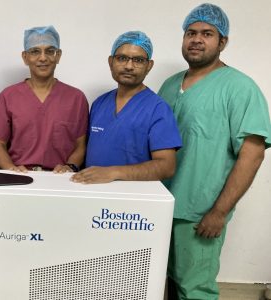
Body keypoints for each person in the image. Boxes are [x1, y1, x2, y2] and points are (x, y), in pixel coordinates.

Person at [158, 4, 271, 299]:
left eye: (207, 34)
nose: (197, 39)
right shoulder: (169, 86)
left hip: (199, 211)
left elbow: (253, 154)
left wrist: (219, 211)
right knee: (159, 282)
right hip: (160, 205)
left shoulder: (240, 88)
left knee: (194, 289)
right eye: (191, 33)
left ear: (223, 42)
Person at [71, 31, 182, 184]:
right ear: (111, 62)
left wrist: (113, 172)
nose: (129, 66)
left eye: (138, 60)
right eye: (122, 58)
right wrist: (68, 167)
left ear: (149, 66)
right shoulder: (99, 104)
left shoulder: (158, 109)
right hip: (92, 194)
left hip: (131, 203)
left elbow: (166, 166)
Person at [0, 26, 88, 173]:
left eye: (50, 51)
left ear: (58, 56)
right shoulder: (8, 96)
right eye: (35, 51)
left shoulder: (76, 98)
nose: (43, 58)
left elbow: (80, 145)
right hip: (20, 178)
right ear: (25, 57)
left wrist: (69, 167)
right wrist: (11, 170)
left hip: (60, 180)